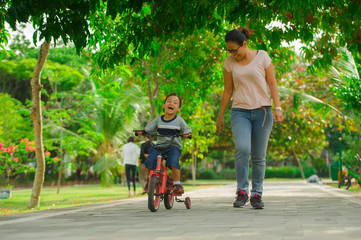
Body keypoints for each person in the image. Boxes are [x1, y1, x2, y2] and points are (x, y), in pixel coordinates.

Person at [216, 27, 284, 209]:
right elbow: (228, 91)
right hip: (240, 111)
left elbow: (273, 83)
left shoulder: (262, 57)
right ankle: (242, 191)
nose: (232, 54)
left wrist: (277, 107)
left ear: (244, 44)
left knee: (259, 156)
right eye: (229, 50)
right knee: (243, 149)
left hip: (263, 111)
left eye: (234, 50)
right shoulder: (229, 63)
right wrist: (220, 115)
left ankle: (257, 194)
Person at [138, 93, 191, 194]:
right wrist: (142, 132)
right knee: (149, 161)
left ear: (178, 109)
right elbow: (148, 129)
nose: (172, 104)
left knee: (173, 162)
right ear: (164, 105)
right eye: (169, 101)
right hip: (159, 146)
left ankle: (176, 184)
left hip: (173, 146)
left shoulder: (179, 120)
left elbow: (187, 130)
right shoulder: (158, 120)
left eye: (175, 103)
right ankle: (152, 179)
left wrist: (186, 134)